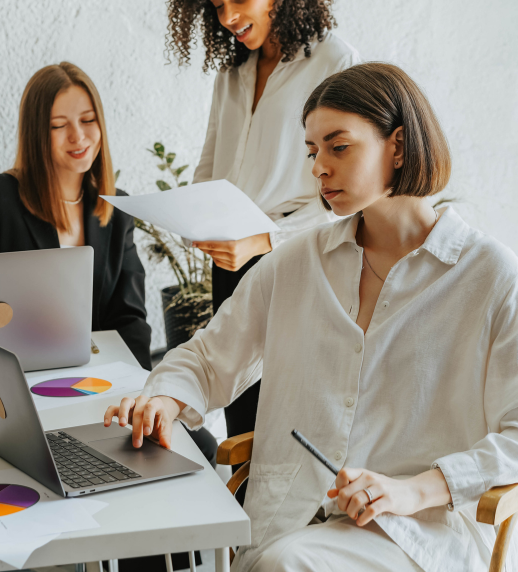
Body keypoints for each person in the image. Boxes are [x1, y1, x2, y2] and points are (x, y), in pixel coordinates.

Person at [104, 63, 518, 572]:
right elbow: (210, 358)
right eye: (311, 151)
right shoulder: (297, 262)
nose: (319, 167)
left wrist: (414, 490)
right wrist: (164, 400)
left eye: (338, 147)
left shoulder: (490, 275)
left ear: (399, 146)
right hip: (291, 520)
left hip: (420, 535)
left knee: (285, 565)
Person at [164, 0, 361, 437]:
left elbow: (348, 193)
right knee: (241, 425)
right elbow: (210, 167)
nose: (228, 16)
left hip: (297, 261)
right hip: (231, 265)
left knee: (290, 424)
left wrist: (265, 240)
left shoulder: (333, 62)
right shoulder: (233, 72)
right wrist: (195, 221)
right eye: (217, 5)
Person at [0, 62, 153, 368]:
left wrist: (140, 386)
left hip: (97, 379)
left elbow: (130, 320)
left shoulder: (117, 208)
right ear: (36, 134)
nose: (78, 136)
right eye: (58, 126)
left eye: (88, 120)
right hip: (14, 375)